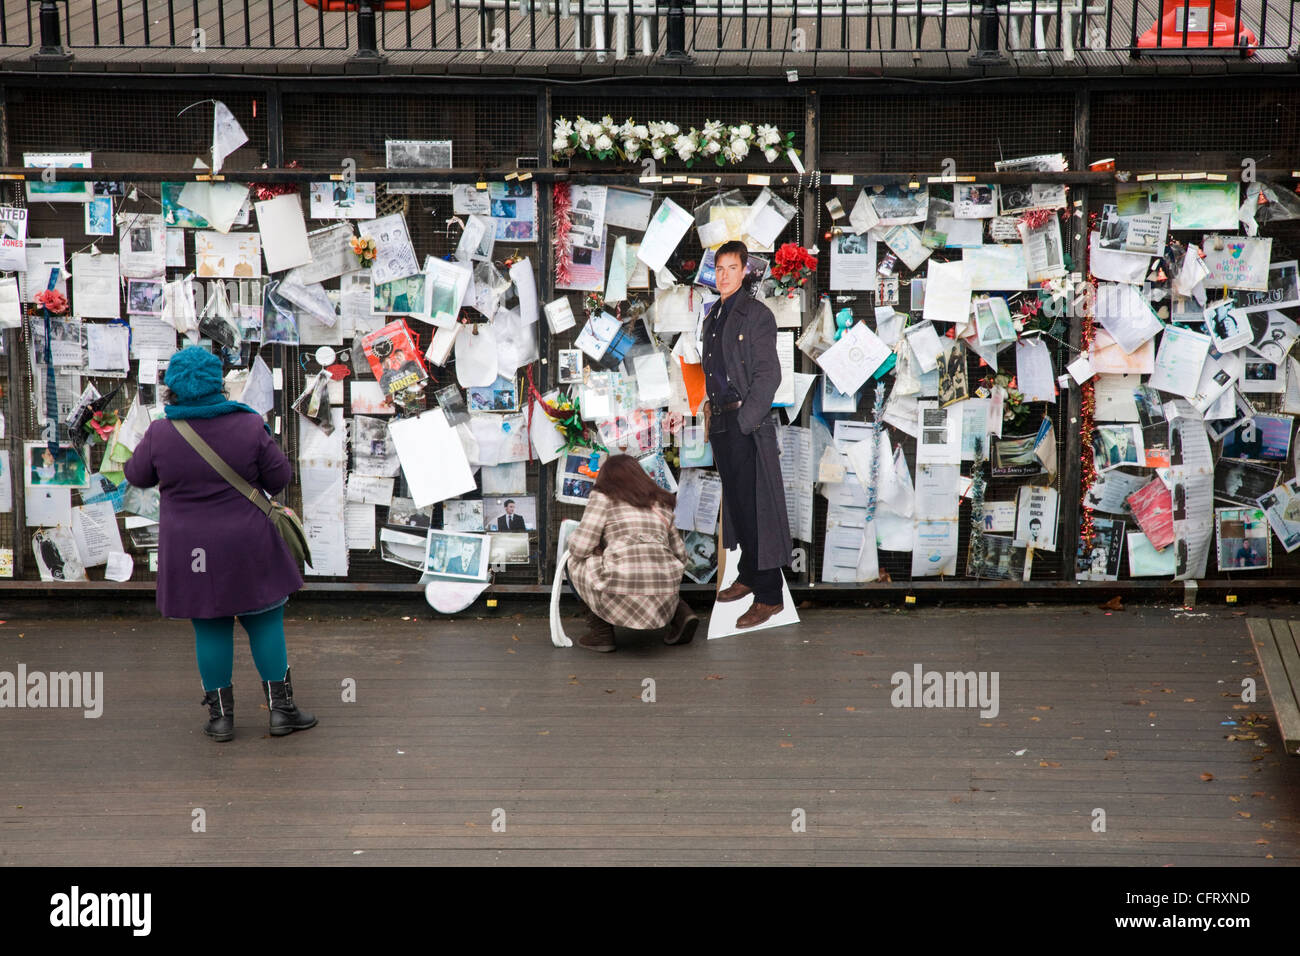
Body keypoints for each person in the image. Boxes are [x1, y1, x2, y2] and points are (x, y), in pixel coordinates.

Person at [123, 346, 315, 743]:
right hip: (249, 543)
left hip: (192, 553)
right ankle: (281, 712)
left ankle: (221, 719)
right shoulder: (248, 425)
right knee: (264, 620)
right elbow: (279, 477)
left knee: (210, 626)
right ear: (218, 382)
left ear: (172, 388)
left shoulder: (161, 431)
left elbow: (137, 475)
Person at [697, 240, 793, 628]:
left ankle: (770, 595)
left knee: (756, 511)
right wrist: (710, 412)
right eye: (718, 269)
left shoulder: (756, 314)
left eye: (731, 268)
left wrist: (744, 422)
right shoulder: (712, 317)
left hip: (744, 425)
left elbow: (770, 375)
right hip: (721, 423)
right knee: (737, 508)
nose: (723, 275)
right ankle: (750, 575)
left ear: (745, 272)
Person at [565, 453, 696, 652]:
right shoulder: (661, 503)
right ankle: (681, 612)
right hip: (664, 587)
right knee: (657, 570)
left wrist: (578, 541)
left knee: (573, 561)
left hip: (620, 584)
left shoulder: (602, 497)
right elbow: (681, 556)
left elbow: (581, 547)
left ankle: (601, 634)